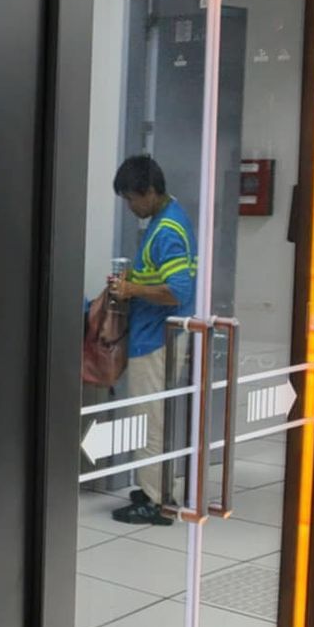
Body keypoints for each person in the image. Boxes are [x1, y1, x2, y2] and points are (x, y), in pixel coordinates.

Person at [108, 155, 197, 526]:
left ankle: (156, 502)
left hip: (156, 339)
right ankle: (155, 489)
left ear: (148, 191)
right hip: (155, 336)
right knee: (151, 418)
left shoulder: (166, 231)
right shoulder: (166, 220)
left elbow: (178, 291)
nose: (130, 207)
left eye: (131, 199)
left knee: (148, 421)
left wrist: (131, 290)